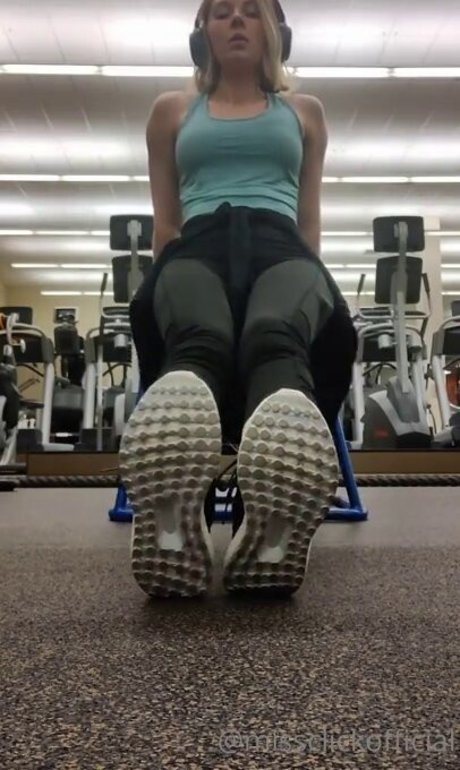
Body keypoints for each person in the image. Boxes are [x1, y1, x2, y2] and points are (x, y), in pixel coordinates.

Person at [120, 0, 357, 600]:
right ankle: (183, 516)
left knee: (275, 334)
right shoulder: (171, 111)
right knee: (199, 339)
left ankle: (267, 516)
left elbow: (309, 223)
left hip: (282, 248)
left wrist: (312, 283)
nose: (235, 21)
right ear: (201, 32)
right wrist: (162, 289)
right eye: (221, 12)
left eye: (251, 11)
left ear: (276, 32)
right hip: (197, 246)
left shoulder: (305, 112)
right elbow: (166, 223)